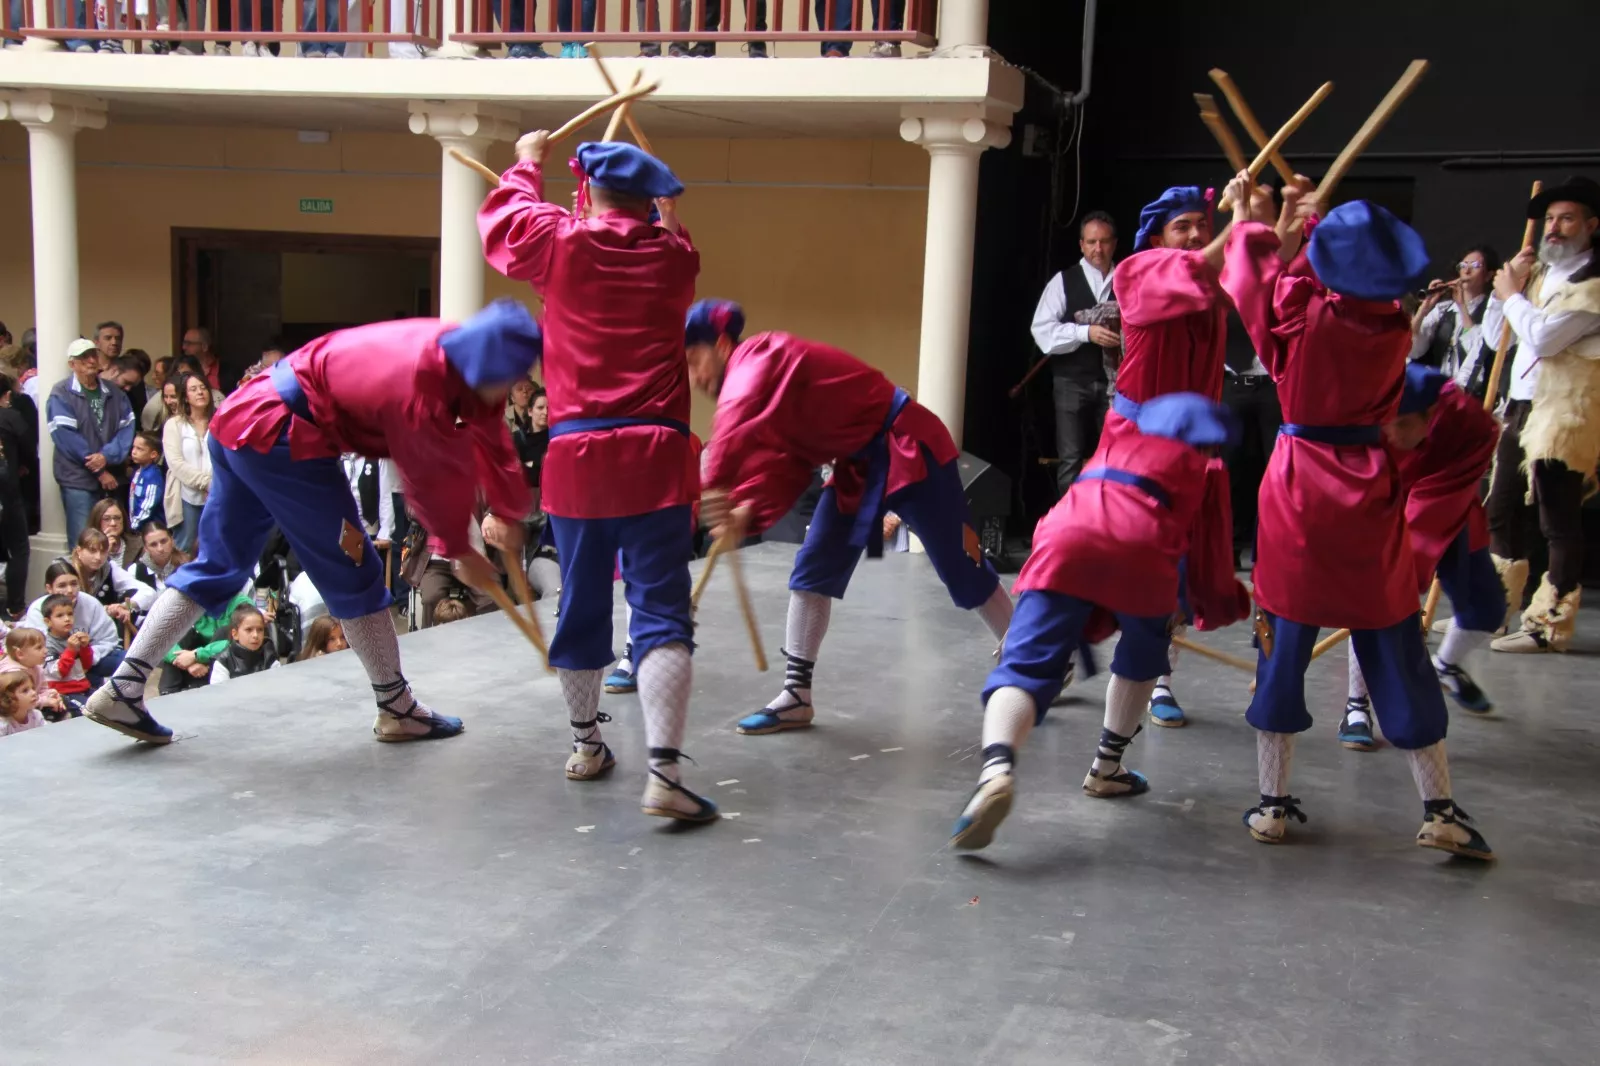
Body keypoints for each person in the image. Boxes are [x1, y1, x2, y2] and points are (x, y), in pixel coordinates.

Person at [84, 300, 536, 747]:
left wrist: (508, 510)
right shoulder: (418, 377)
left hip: (242, 421)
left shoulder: (464, 355)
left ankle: (124, 687)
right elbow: (426, 473)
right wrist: (458, 548)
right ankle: (397, 708)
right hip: (282, 433)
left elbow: (488, 427)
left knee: (220, 565)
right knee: (355, 569)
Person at [1220, 171, 1492, 861]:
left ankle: (1272, 804)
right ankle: (1440, 808)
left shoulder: (1301, 324)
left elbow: (1253, 278)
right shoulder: (1396, 326)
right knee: (1396, 644)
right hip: (1368, 493)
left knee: (1281, 644)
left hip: (1300, 491)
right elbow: (1306, 279)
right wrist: (1305, 220)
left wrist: (1259, 215)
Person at [479, 134, 713, 822]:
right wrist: (663, 207)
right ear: (653, 201)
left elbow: (504, 219)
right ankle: (665, 773)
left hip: (579, 458)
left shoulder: (562, 243)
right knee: (663, 611)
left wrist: (528, 158)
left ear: (588, 193)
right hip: (658, 456)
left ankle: (587, 746)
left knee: (581, 604)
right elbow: (677, 234)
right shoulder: (676, 259)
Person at [688, 300, 1012, 735]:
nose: (695, 378)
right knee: (813, 567)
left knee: (962, 563)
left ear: (723, 344)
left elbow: (732, 423)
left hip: (908, 442)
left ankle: (1031, 653)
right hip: (856, 466)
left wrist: (716, 485)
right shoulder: (760, 391)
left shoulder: (761, 356)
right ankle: (796, 695)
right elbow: (785, 464)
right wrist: (746, 509)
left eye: (694, 361)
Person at [950, 394, 1236, 850]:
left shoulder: (1113, 445)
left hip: (1065, 532)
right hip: (1143, 542)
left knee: (1024, 670)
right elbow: (1207, 554)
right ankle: (1107, 769)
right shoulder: (1203, 472)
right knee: (1144, 655)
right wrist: (1188, 604)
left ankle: (996, 769)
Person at [1097, 186, 1256, 726]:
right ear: (1159, 235)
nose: (1193, 235)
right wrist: (1241, 219)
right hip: (1134, 443)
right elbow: (1206, 266)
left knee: (1177, 564)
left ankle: (1160, 676)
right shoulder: (1139, 272)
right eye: (1181, 226)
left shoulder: (1209, 284)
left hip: (1189, 448)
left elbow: (1256, 264)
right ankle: (1058, 641)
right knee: (1109, 555)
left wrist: (1276, 221)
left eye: (1200, 226)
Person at [1340, 364, 1504, 752]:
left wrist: (1413, 553)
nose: (1394, 434)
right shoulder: (1367, 421)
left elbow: (1444, 493)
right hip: (1382, 506)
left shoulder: (1471, 424)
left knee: (1487, 609)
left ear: (1432, 415)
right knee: (1373, 607)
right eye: (1389, 424)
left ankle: (1447, 664)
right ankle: (1356, 706)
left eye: (1405, 424)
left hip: (1451, 507)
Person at [1481, 176, 1600, 654]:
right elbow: (1496, 339)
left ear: (1591, 225)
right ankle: (1493, 610)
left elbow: (1546, 339)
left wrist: (1511, 295)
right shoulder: (1536, 276)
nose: (1554, 227)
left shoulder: (1593, 284)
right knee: (1499, 507)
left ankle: (1547, 626)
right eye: (1549, 218)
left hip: (1566, 412)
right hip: (1521, 406)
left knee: (1557, 519)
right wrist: (1502, 288)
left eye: (1566, 217)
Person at [1030, 211, 1119, 493]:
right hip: (1071, 382)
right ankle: (1067, 532)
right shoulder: (1063, 281)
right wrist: (1086, 333)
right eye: (1092, 242)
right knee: (1070, 459)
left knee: (1114, 457)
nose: (1098, 249)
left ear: (1114, 244)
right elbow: (1042, 331)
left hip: (1117, 385)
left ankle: (1108, 526)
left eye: (1104, 242)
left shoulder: (1128, 279)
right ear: (1081, 244)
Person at [48, 339, 136, 544]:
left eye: (92, 355)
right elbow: (66, 437)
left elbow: (127, 427)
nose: (90, 360)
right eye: (83, 357)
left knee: (114, 539)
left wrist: (106, 456)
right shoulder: (61, 393)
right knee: (84, 541)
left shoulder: (114, 392)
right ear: (72, 364)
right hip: (78, 479)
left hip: (112, 476)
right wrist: (99, 470)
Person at [1410, 245, 1503, 399]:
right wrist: (1424, 309)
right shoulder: (1443, 309)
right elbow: (1413, 349)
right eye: (1463, 265)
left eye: (1475, 266)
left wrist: (1462, 306)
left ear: (1488, 276)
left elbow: (1476, 350)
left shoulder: (1492, 311)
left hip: (1469, 395)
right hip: (1436, 392)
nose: (1467, 271)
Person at [22, 562, 124, 686]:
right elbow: (37, 652)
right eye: (62, 586)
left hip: (90, 660)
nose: (70, 590)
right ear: (49, 588)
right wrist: (71, 654)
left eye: (74, 584)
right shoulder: (38, 609)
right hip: (57, 669)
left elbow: (108, 639)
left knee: (129, 660)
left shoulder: (91, 603)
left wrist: (87, 651)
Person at [158, 589, 255, 694]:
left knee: (224, 631)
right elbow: (162, 637)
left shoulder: (242, 605)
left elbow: (244, 641)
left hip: (225, 659)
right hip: (194, 662)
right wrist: (186, 662)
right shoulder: (189, 601)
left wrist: (197, 655)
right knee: (183, 635)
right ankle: (168, 693)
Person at [162, 372, 215, 554]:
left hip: (216, 494)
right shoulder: (174, 424)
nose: (200, 392)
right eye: (193, 389)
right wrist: (207, 483)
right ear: (185, 396)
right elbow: (175, 463)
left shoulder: (219, 421)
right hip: (186, 496)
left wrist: (216, 485)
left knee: (215, 546)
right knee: (183, 548)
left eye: (203, 388)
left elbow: (228, 457)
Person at [62, 527, 156, 625]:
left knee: (131, 592)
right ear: (79, 551)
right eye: (92, 551)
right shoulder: (63, 568)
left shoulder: (109, 567)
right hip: (69, 625)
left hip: (101, 630)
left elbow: (149, 592)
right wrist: (106, 610)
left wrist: (124, 606)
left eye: (103, 552)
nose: (98, 557)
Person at [0, 372, 33, 619]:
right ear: (7, 395)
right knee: (18, 548)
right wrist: (21, 464)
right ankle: (16, 607)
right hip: (8, 493)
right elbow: (30, 448)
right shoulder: (11, 417)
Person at [40, 592, 96, 716]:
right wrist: (70, 650)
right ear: (48, 621)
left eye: (70, 614)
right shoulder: (48, 645)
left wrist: (85, 647)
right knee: (89, 713)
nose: (67, 619)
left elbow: (87, 665)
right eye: (60, 615)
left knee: (107, 704)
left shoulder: (73, 636)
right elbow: (58, 673)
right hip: (64, 692)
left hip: (83, 687)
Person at [0, 626, 66, 721]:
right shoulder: (12, 674)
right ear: (20, 654)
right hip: (14, 714)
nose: (46, 651)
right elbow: (17, 702)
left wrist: (51, 695)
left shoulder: (36, 666)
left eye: (44, 646)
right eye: (39, 648)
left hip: (33, 703)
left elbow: (43, 689)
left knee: (63, 703)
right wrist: (45, 701)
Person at [209, 602, 280, 683]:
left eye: (260, 629)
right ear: (235, 634)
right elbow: (220, 694)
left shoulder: (269, 658)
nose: (255, 635)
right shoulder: (223, 662)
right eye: (249, 630)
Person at [127, 432, 167, 535]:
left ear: (153, 454)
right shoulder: (139, 472)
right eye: (133, 447)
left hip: (151, 527)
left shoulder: (152, 475)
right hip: (140, 525)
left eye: (139, 449)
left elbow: (149, 503)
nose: (134, 452)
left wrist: (135, 524)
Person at [130, 523, 185, 594]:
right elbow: (128, 602)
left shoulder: (186, 565)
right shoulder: (135, 571)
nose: (160, 549)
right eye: (153, 545)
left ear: (172, 540)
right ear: (145, 548)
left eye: (164, 541)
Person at [88, 497, 141, 568]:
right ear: (97, 521)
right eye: (106, 519)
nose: (113, 523)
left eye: (117, 518)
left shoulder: (139, 544)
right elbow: (90, 576)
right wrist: (104, 552)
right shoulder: (87, 549)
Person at [0, 669, 43, 737]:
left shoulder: (36, 715)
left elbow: (46, 736)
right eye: (25, 691)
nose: (34, 693)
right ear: (8, 698)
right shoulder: (3, 724)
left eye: (33, 688)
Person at [180, 327, 224, 393]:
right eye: (184, 343)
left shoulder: (229, 373)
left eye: (188, 343)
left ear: (205, 347)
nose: (184, 347)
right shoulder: (180, 370)